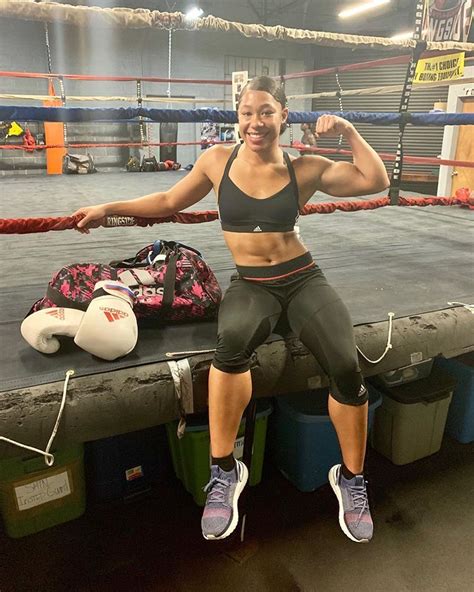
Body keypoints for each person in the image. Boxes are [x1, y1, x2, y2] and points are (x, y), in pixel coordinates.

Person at [73, 76, 390, 543]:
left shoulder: (306, 168)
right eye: (246, 112)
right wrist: (107, 207)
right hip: (253, 285)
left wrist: (347, 131)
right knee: (230, 346)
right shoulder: (217, 161)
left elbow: (375, 180)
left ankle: (352, 478)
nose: (255, 121)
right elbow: (166, 203)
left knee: (346, 363)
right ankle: (224, 471)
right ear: (237, 117)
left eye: (265, 111)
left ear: (284, 115)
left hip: (303, 279)